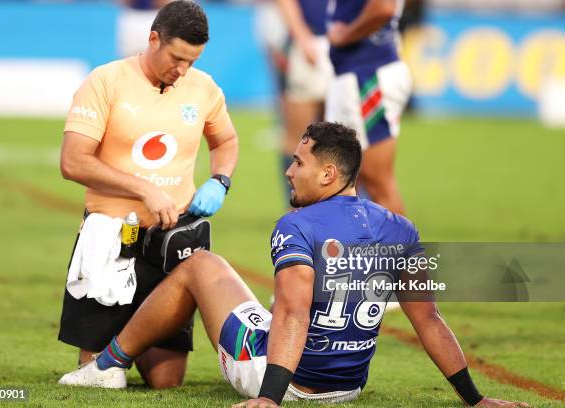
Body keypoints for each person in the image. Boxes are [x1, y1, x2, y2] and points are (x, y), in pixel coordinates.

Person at [58, 122, 528, 408]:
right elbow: (427, 317)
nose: (288, 169)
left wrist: (269, 396)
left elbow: (293, 314)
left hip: (281, 377)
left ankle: (108, 364)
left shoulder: (296, 226)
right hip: (347, 388)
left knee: (200, 266)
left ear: (328, 174)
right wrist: (475, 398)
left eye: (298, 162)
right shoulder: (400, 228)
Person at [57, 0, 238, 389]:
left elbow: (225, 140)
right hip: (111, 239)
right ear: (153, 38)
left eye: (192, 61)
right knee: (101, 378)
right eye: (176, 58)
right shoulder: (105, 81)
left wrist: (219, 180)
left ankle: (126, 349)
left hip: (173, 244)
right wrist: (144, 188)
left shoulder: (203, 88)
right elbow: (73, 162)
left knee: (166, 382)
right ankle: (108, 355)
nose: (182, 70)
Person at [326, 0, 412, 215]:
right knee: (350, 180)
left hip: (367, 75)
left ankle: (402, 248)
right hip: (360, 73)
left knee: (377, 183)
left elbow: (383, 7)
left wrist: (345, 35)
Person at [275, 0, 334, 205]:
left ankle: (342, 206)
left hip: (348, 44)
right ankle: (296, 204)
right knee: (298, 137)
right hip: (310, 41)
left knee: (342, 138)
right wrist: (302, 36)